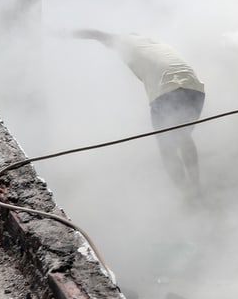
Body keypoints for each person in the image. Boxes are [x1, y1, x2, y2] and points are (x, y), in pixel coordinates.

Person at [71, 29, 204, 199]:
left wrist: (65, 33)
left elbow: (96, 34)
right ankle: (196, 188)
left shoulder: (127, 41)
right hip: (194, 88)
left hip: (167, 90)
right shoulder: (156, 44)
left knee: (167, 149)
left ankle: (188, 196)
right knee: (183, 136)